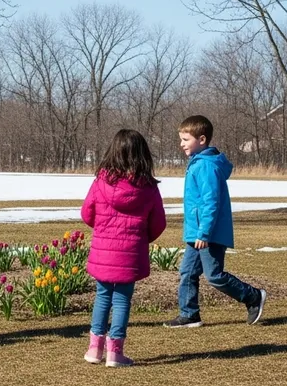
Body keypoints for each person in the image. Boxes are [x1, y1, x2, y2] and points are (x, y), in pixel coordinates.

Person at [164, 114, 266, 328]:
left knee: (215, 276)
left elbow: (211, 202)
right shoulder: (198, 163)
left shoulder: (206, 166)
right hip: (197, 232)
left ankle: (253, 296)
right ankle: (189, 314)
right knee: (187, 272)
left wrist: (204, 233)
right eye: (181, 139)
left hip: (208, 234)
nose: (181, 144)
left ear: (202, 140)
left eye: (186, 139)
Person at [81, 129, 166, 367]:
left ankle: (94, 348)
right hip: (131, 251)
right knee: (121, 300)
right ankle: (115, 352)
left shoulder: (100, 182)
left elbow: (87, 213)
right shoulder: (148, 188)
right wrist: (140, 238)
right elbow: (159, 223)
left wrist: (101, 229)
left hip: (103, 248)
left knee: (102, 296)